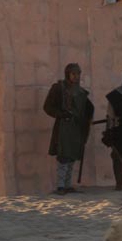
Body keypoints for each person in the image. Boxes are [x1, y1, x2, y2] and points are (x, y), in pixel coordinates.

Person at [42, 62, 94, 194]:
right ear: (68, 74)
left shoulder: (81, 92)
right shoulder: (59, 88)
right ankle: (60, 185)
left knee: (72, 155)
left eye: (78, 74)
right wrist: (61, 114)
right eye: (73, 74)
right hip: (64, 127)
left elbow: (87, 109)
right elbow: (48, 107)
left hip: (76, 127)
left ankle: (67, 184)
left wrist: (87, 120)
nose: (76, 76)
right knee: (63, 155)